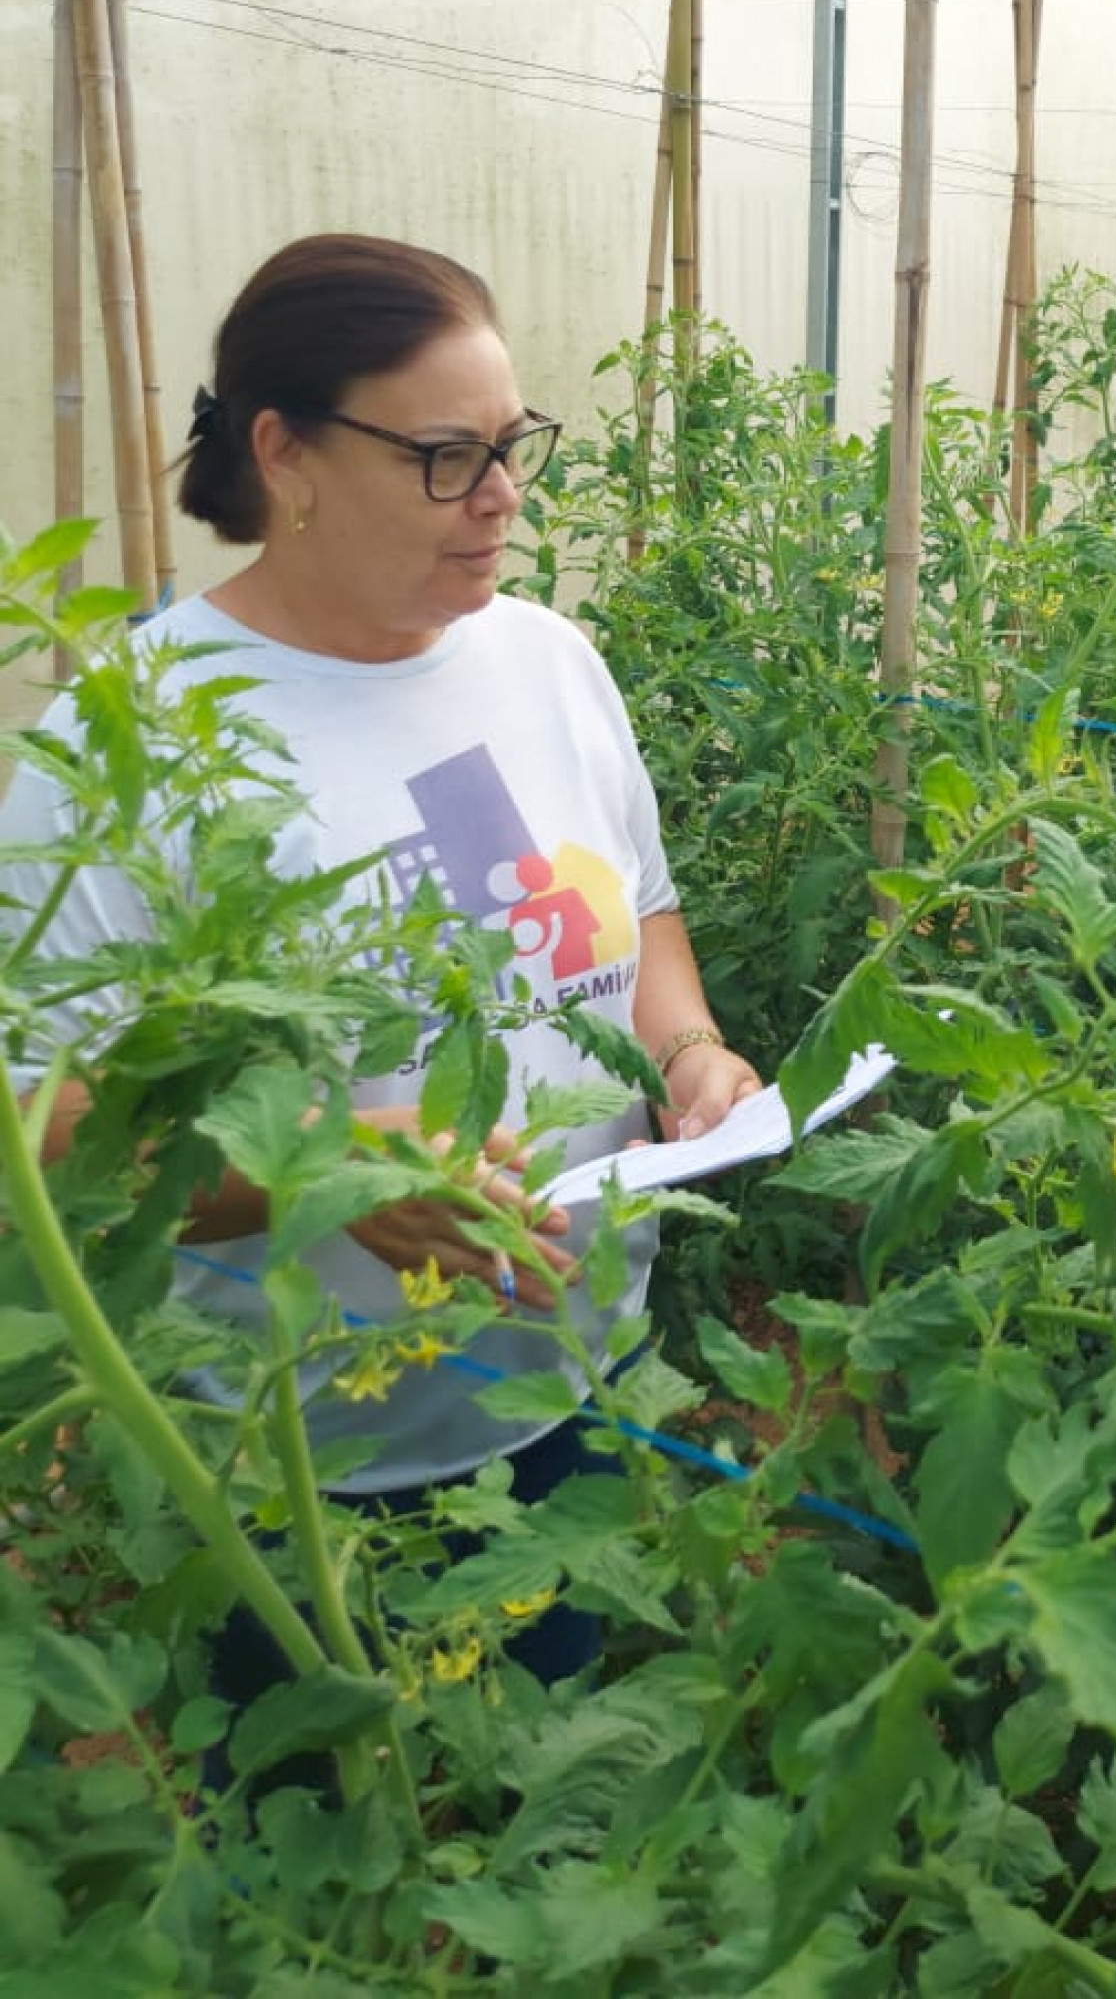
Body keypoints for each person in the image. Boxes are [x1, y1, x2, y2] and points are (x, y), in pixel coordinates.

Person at [0, 232, 760, 1557]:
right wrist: (329, 1171)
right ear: (285, 452)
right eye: (445, 457)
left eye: (512, 446)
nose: (502, 497)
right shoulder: (131, 738)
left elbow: (636, 914)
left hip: (585, 1378)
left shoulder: (550, 662)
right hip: (294, 1476)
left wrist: (688, 1051)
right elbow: (40, 1124)